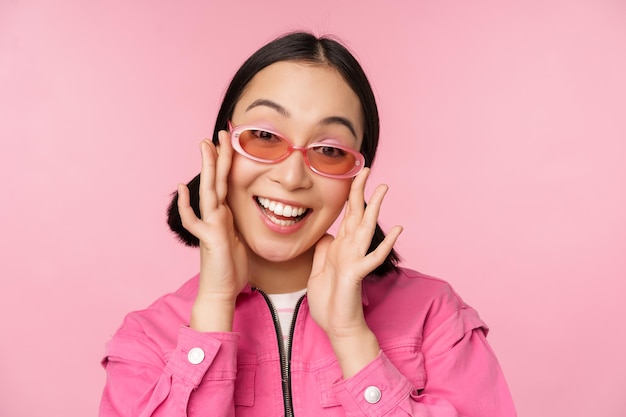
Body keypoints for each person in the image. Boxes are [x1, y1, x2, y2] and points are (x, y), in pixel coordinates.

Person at [99, 31, 516, 416]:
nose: (293, 177)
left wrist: (352, 338)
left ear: (357, 175)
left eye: (328, 150)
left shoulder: (434, 317)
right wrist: (214, 306)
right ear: (222, 146)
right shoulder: (147, 342)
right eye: (264, 137)